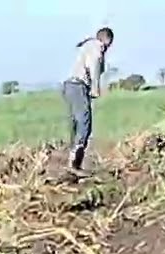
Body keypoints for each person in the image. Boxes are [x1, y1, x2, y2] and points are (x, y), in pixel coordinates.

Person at [62, 26, 114, 177]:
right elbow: (94, 67)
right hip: (78, 86)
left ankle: (72, 162)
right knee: (84, 124)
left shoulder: (87, 45)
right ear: (107, 40)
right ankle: (74, 164)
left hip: (69, 86)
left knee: (76, 124)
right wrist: (95, 89)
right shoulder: (97, 47)